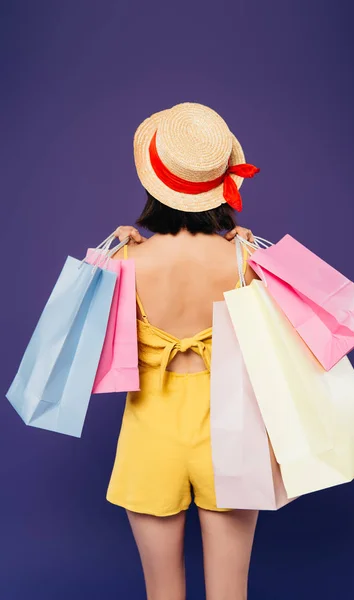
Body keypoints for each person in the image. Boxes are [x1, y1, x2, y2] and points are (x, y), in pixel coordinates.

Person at [106, 102, 261, 600]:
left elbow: (82, 337)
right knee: (230, 591)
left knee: (162, 592)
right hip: (230, 430)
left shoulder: (126, 260)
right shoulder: (245, 257)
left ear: (155, 185)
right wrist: (247, 253)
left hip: (150, 431)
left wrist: (110, 250)